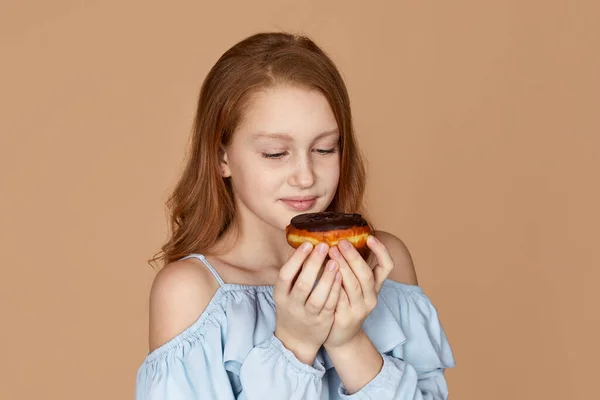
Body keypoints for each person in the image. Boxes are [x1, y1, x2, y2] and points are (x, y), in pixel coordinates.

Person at [135, 31, 455, 399]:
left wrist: (349, 343)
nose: (305, 177)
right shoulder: (191, 293)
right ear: (222, 156)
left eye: (324, 148)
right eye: (275, 153)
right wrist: (295, 344)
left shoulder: (386, 263)